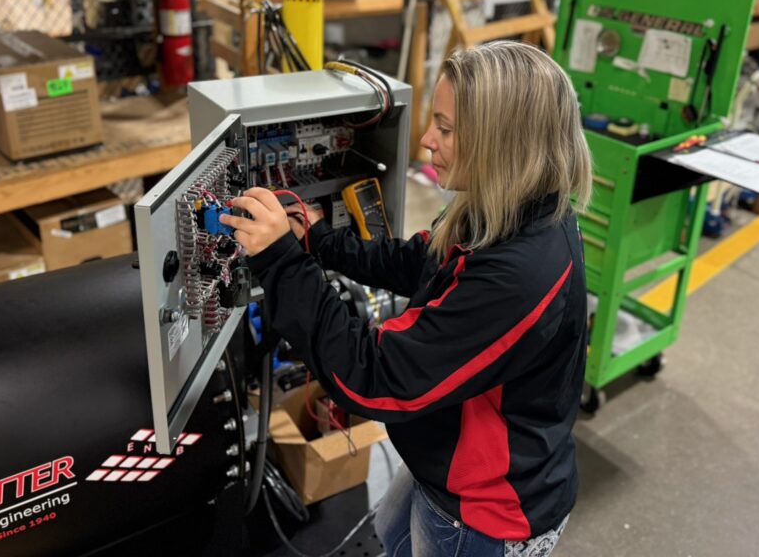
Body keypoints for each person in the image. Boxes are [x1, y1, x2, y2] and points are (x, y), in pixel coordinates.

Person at [221, 41, 592, 556]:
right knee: (391, 535)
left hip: (483, 507)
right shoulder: (510, 208)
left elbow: (373, 375)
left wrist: (283, 262)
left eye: (445, 128)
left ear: (502, 143)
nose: (426, 141)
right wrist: (319, 241)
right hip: (440, 458)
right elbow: (421, 261)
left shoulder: (523, 273)